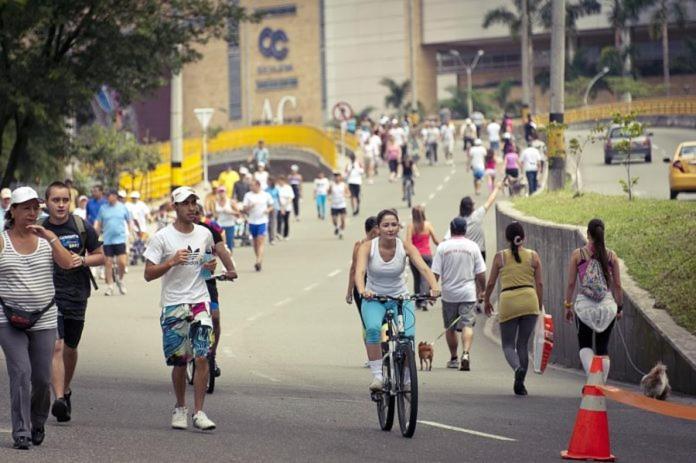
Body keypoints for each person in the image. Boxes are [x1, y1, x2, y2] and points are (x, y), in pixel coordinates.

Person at [143, 186, 224, 431]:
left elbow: (206, 266)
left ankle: (199, 412)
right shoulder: (162, 237)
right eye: (186, 203)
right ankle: (180, 407)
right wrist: (171, 262)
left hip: (200, 301)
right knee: (180, 362)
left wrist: (210, 266)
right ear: (175, 207)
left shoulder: (204, 234)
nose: (192, 208)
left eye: (194, 203)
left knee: (202, 356)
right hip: (173, 305)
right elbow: (148, 274)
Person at [0, 186, 75, 450]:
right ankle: (21, 431)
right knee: (21, 372)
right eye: (26, 208)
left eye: (36, 208)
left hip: (43, 318)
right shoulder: (2, 240)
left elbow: (68, 263)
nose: (32, 213)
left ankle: (38, 421)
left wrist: (51, 237)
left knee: (42, 379)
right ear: (14, 211)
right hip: (8, 319)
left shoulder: (46, 239)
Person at [354, 209, 440, 391]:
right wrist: (362, 290)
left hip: (400, 298)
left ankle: (407, 379)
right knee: (373, 330)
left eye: (394, 224)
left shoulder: (405, 246)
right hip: (374, 298)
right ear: (378, 228)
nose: (390, 229)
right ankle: (377, 376)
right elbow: (360, 271)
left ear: (399, 226)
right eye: (386, 225)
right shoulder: (367, 247)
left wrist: (434, 287)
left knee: (407, 338)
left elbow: (424, 268)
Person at [41, 182, 105, 424]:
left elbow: (101, 256)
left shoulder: (81, 226)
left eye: (65, 200)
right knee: (56, 345)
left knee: (70, 347)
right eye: (55, 200)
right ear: (46, 202)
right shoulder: (39, 227)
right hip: (48, 294)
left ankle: (65, 390)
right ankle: (58, 397)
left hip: (77, 294)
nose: (60, 204)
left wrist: (83, 260)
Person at [483, 222, 543, 396]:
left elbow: (491, 283)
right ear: (523, 238)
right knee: (522, 344)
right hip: (529, 300)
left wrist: (486, 300)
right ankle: (520, 384)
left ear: (507, 238)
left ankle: (517, 368)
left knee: (508, 345)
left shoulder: (500, 257)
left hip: (508, 301)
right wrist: (538, 304)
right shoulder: (533, 256)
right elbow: (539, 283)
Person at [564, 219, 623, 382]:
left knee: (585, 345)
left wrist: (568, 305)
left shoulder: (578, 254)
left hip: (584, 308)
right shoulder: (611, 256)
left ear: (588, 234)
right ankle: (600, 383)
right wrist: (619, 308)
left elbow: (570, 283)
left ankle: (592, 380)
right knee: (603, 348)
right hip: (607, 307)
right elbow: (617, 285)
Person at [432, 217, 486, 371]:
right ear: (465, 230)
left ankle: (454, 358)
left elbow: (435, 272)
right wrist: (482, 290)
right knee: (467, 324)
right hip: (468, 293)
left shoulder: (443, 247)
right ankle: (466, 353)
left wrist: (432, 290)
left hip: (449, 294)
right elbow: (480, 272)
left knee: (450, 327)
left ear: (451, 229)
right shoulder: (473, 247)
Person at [195, 204, 238, 377]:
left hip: (207, 280)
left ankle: (212, 354)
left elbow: (221, 249)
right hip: (184, 285)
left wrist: (230, 269)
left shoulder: (209, 230)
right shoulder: (178, 232)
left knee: (215, 317)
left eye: (197, 212)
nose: (194, 215)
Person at [346, 216, 380, 355]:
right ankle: (371, 354)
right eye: (377, 231)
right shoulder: (359, 246)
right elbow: (354, 269)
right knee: (367, 323)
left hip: (379, 285)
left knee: (382, 321)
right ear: (371, 232)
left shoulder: (382, 244)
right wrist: (349, 291)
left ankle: (383, 351)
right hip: (362, 287)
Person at [445, 184, 502, 262]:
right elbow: (490, 200)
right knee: (480, 272)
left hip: (466, 253)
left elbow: (446, 238)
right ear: (471, 207)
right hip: (480, 251)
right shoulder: (477, 215)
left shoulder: (458, 221)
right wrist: (497, 188)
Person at [94, 190, 132, 296]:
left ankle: (120, 280)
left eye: (110, 196)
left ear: (115, 196)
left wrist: (130, 232)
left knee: (122, 262)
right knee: (108, 263)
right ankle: (110, 286)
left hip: (120, 239)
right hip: (107, 240)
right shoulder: (103, 208)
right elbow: (99, 223)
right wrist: (96, 234)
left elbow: (129, 220)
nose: (108, 198)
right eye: (107, 196)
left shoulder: (123, 207)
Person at [405, 205, 440, 310]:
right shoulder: (428, 225)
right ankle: (424, 300)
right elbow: (435, 241)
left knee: (417, 278)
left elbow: (408, 243)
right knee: (425, 278)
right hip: (427, 255)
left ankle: (418, 300)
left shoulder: (411, 227)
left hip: (415, 256)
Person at [242, 179, 274, 271]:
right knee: (255, 243)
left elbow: (271, 205)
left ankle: (258, 261)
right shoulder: (248, 195)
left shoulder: (265, 195)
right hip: (252, 221)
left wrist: (268, 210)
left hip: (262, 221)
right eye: (250, 185)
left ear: (258, 185)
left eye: (252, 185)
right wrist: (250, 206)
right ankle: (258, 259)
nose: (251, 187)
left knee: (260, 241)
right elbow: (244, 209)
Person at [214, 186, 239, 252]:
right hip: (220, 226)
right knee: (220, 245)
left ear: (225, 192)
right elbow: (215, 214)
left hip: (230, 225)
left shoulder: (231, 202)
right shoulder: (216, 202)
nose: (221, 193)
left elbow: (238, 214)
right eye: (220, 192)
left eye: (222, 191)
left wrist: (230, 212)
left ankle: (230, 260)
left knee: (229, 245)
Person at [328, 171, 348, 239]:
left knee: (342, 220)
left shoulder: (343, 185)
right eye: (335, 176)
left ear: (340, 177)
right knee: (334, 220)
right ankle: (336, 227)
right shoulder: (332, 185)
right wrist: (329, 197)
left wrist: (346, 195)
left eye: (338, 176)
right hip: (334, 205)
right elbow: (328, 192)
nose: (336, 178)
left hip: (342, 205)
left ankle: (341, 232)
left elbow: (349, 193)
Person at [277, 175, 295, 240]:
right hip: (279, 207)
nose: (280, 182)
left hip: (287, 207)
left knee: (286, 221)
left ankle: (286, 235)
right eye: (279, 181)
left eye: (281, 181)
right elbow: (277, 198)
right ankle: (279, 234)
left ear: (284, 181)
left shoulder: (288, 187)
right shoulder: (277, 187)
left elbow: (291, 198)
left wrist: (284, 207)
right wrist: (281, 207)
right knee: (279, 221)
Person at [266, 178, 280, 244]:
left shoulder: (276, 189)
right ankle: (270, 237)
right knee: (268, 223)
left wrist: (281, 207)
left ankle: (272, 238)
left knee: (273, 223)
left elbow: (278, 198)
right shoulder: (266, 190)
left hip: (275, 207)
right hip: (267, 207)